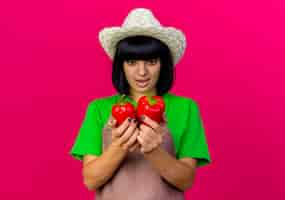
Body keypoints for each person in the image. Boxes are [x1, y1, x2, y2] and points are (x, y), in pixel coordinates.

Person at [69, 8, 211, 200]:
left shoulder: (186, 108)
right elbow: (91, 180)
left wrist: (154, 151)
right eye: (132, 62)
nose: (142, 72)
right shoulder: (99, 109)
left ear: (163, 64)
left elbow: (186, 180)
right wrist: (120, 145)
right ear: (121, 65)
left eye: (151, 61)